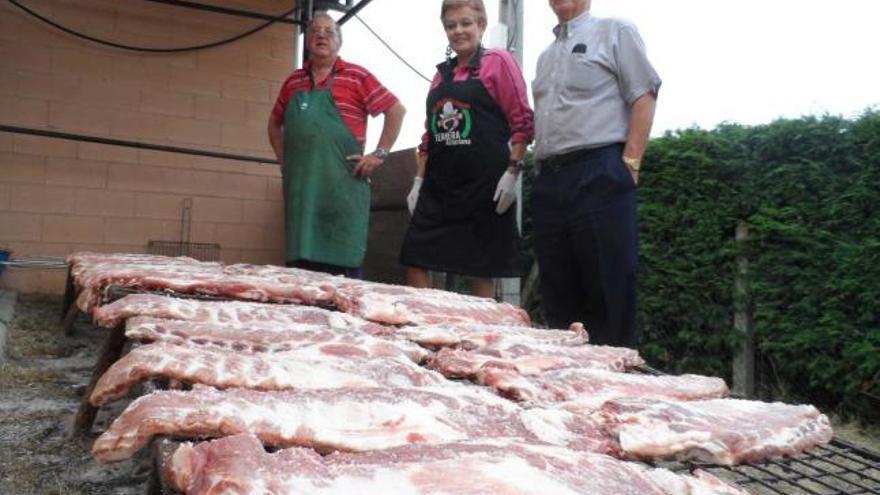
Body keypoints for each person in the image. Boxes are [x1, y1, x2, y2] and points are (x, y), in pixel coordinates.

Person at [531, 0, 660, 347]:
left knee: (609, 288)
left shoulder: (616, 31)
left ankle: (617, 388)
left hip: (599, 170)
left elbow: (644, 95)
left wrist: (630, 165)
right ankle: (565, 386)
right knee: (558, 292)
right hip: (549, 179)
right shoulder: (544, 58)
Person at [399, 0, 534, 298]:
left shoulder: (498, 61)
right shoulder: (440, 75)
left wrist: (512, 173)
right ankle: (426, 328)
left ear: (481, 25)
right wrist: (419, 181)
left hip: (485, 188)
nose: (458, 31)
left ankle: (476, 339)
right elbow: (429, 135)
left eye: (465, 23)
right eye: (451, 25)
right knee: (414, 258)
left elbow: (522, 121)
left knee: (480, 269)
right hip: (439, 188)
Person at [268, 12, 405, 278]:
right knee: (302, 276)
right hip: (302, 192)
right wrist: (283, 159)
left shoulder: (357, 76)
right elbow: (274, 124)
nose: (321, 35)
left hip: (343, 186)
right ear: (307, 41)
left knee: (343, 276)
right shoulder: (292, 82)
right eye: (315, 31)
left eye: (329, 31)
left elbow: (396, 110)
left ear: (339, 42)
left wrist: (378, 154)